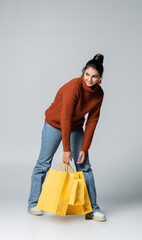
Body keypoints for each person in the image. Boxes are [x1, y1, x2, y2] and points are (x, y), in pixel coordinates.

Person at [27, 53, 106, 222]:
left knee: (84, 166)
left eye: (94, 77)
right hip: (55, 124)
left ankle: (93, 209)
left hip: (76, 127)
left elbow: (92, 122)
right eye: (87, 75)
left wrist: (84, 148)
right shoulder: (73, 87)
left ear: (100, 79)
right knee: (43, 163)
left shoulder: (98, 94)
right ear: (83, 72)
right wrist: (66, 149)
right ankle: (34, 203)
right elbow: (65, 118)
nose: (89, 80)